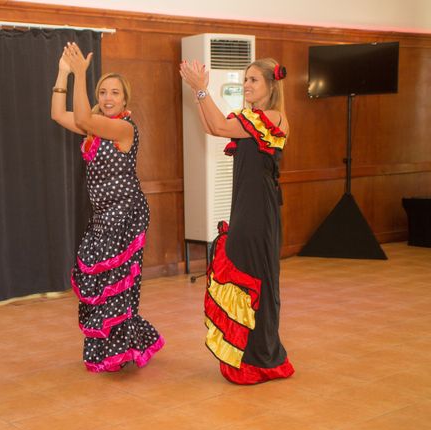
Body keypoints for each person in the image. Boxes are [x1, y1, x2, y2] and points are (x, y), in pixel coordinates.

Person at [180, 58, 294, 384]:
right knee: (246, 272)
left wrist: (202, 89)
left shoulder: (272, 118)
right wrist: (195, 89)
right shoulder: (252, 119)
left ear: (271, 86)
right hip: (247, 207)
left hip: (260, 212)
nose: (246, 85)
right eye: (245, 80)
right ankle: (251, 355)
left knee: (257, 278)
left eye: (254, 80)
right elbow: (211, 127)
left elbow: (217, 126)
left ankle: (263, 359)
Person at [51, 42, 164, 372]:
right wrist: (63, 71)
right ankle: (118, 344)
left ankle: (120, 350)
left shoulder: (123, 128)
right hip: (102, 216)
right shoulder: (94, 129)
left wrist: (81, 75)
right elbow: (58, 114)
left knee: (118, 284)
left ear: (125, 100)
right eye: (103, 92)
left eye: (114, 92)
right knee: (99, 284)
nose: (108, 98)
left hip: (126, 213)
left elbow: (84, 117)